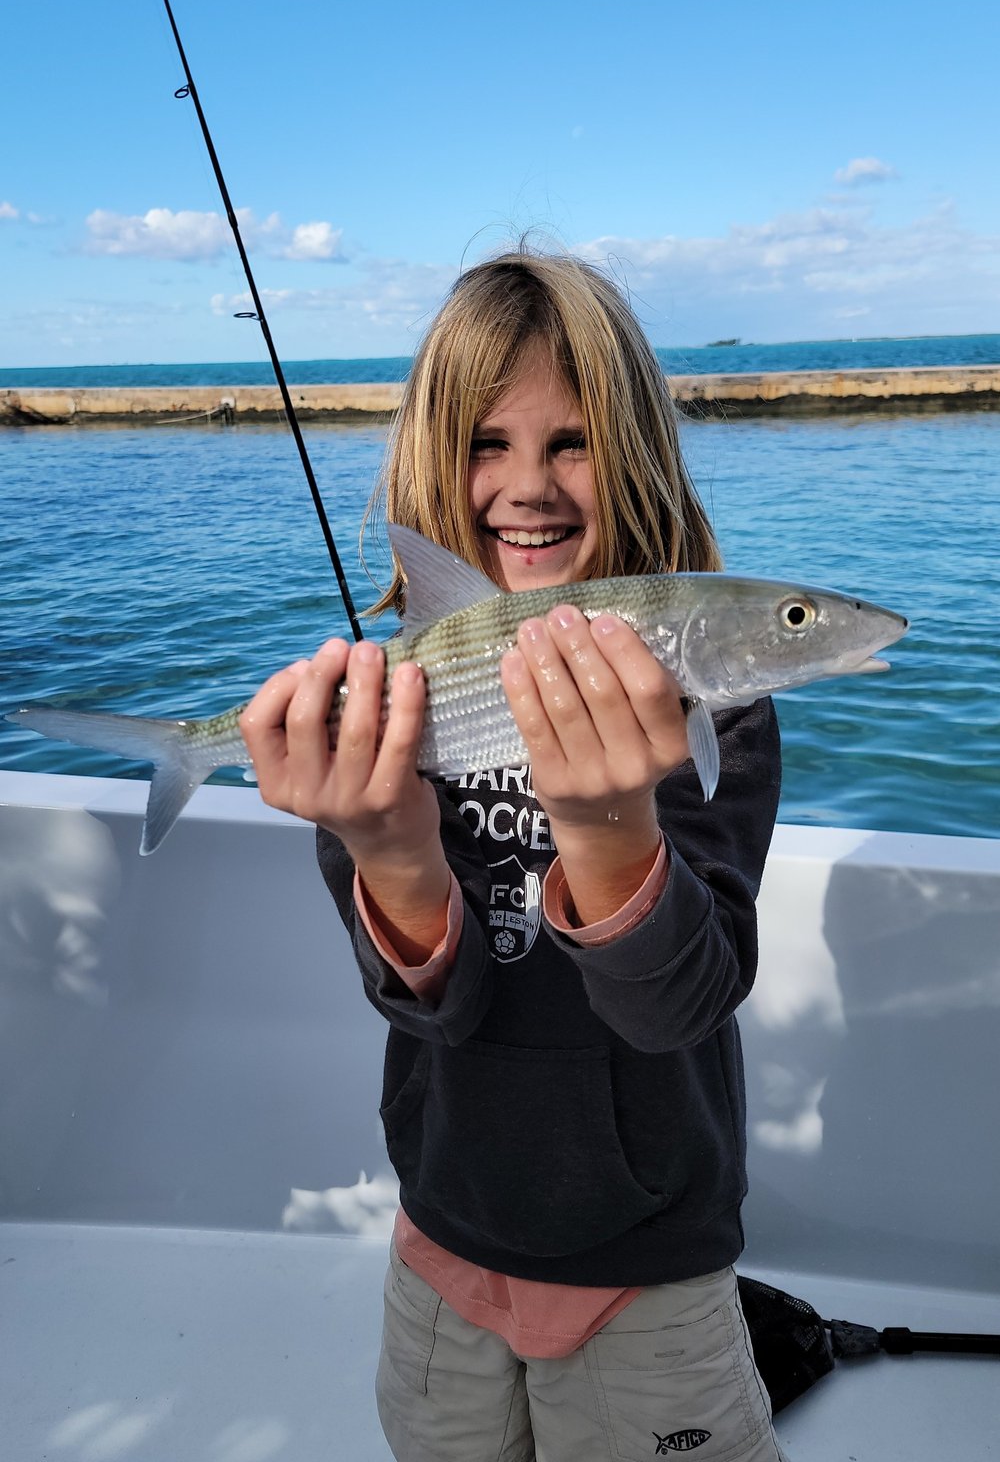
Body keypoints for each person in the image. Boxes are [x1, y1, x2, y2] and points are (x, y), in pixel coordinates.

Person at [240, 250, 788, 1462]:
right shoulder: (390, 698)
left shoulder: (713, 702)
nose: (527, 487)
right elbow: (424, 1005)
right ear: (438, 456)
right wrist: (383, 843)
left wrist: (606, 828)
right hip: (438, 1235)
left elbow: (683, 1005)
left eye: (573, 442)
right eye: (488, 442)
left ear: (637, 452)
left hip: (648, 1263)